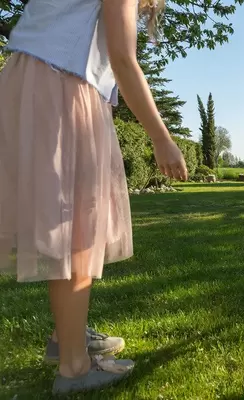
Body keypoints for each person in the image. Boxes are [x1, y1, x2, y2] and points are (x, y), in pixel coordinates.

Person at [0, 0, 187, 394]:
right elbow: (122, 57)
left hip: (39, 78)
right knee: (77, 225)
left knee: (70, 218)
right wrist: (161, 137)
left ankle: (66, 336)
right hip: (60, 84)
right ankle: (73, 367)